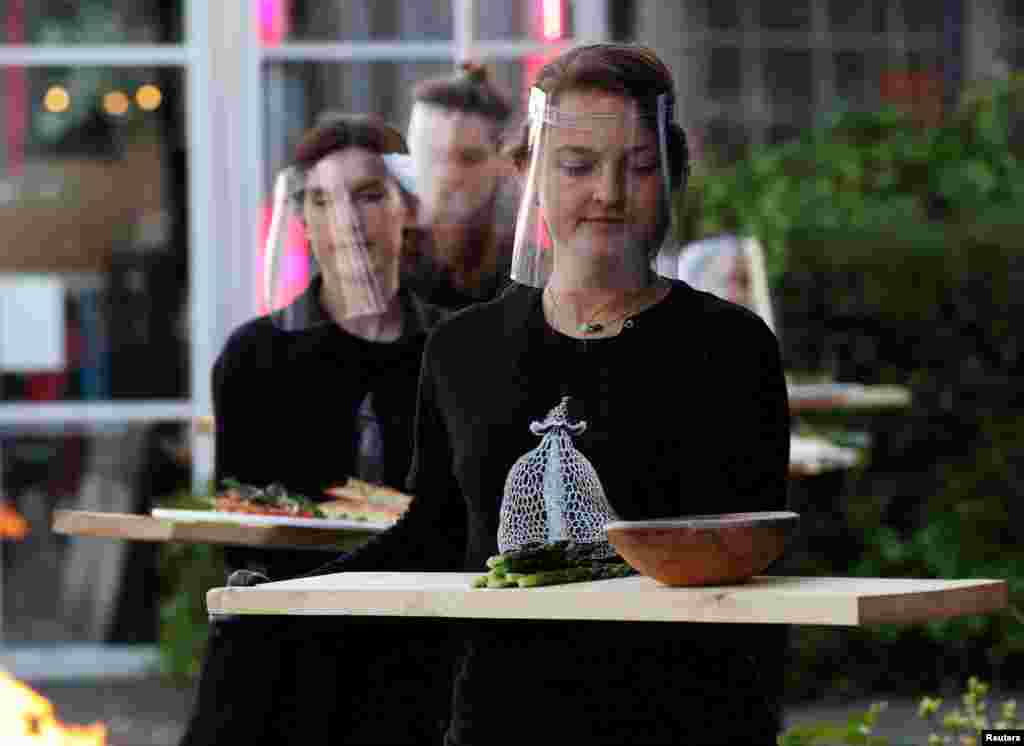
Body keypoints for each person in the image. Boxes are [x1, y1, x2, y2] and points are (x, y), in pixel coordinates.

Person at [307, 43, 792, 745]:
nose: (610, 192)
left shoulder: (731, 348)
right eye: (577, 165)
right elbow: (435, 534)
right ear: (528, 172)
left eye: (641, 166)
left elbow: (754, 561)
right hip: (500, 721)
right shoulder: (462, 351)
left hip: (683, 724)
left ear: (676, 174)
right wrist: (295, 592)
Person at [179, 114, 451, 746]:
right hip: (286, 659)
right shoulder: (256, 358)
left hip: (421, 656)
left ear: (407, 209)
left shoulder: (456, 349)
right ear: (302, 219)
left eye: (369, 196)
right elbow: (249, 524)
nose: (348, 223)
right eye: (322, 201)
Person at [401, 61, 518, 309]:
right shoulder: (383, 263)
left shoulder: (523, 272)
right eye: (432, 155)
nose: (448, 176)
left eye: (469, 158)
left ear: (503, 163)